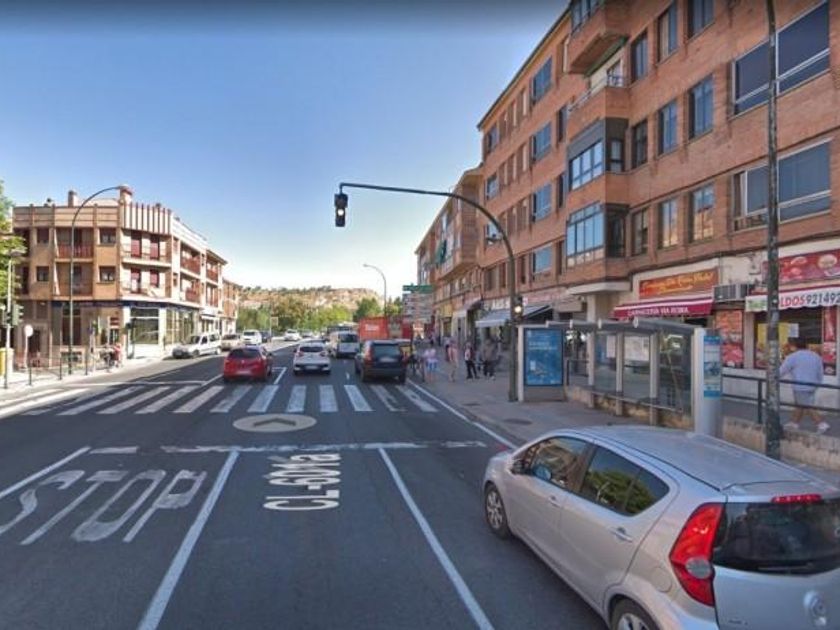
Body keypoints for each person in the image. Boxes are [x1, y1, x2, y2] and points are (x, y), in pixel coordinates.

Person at [781, 337, 828, 433]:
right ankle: (794, 423)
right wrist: (818, 383)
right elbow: (820, 372)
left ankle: (821, 424)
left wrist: (773, 377)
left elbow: (782, 371)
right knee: (800, 404)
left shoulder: (793, 357)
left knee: (807, 405)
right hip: (813, 385)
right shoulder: (815, 356)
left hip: (800, 386)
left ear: (794, 346)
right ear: (806, 345)